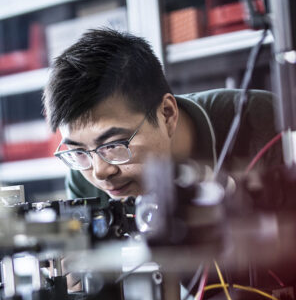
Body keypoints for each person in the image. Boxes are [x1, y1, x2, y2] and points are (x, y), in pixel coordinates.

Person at [42, 28, 279, 201]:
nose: (100, 172)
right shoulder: (86, 177)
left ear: (167, 114)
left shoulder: (267, 123)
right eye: (79, 152)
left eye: (113, 145)